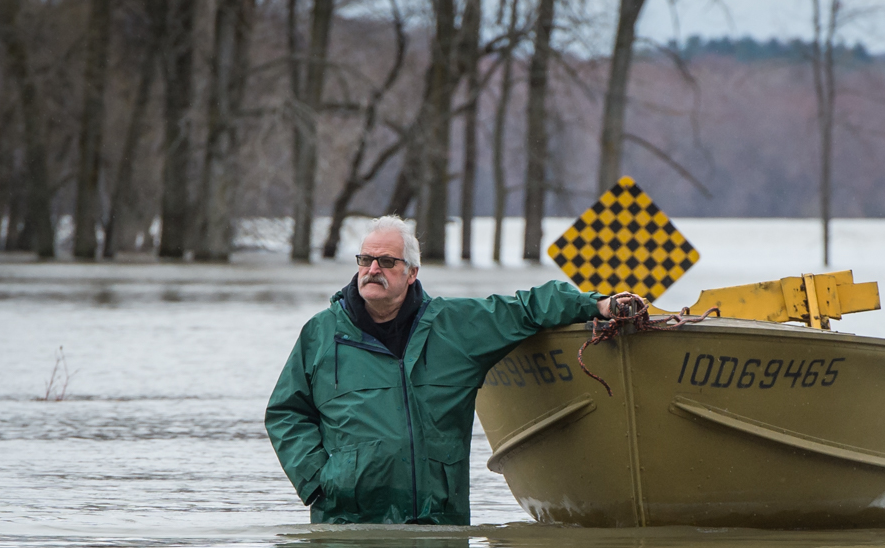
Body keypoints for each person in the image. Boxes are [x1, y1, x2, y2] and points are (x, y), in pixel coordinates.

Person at [266, 215, 635, 525]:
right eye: (365, 260)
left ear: (412, 273)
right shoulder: (321, 333)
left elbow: (526, 309)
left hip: (438, 527)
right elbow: (286, 413)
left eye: (387, 262)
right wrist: (318, 482)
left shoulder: (456, 326)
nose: (372, 269)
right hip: (347, 528)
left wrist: (596, 305)